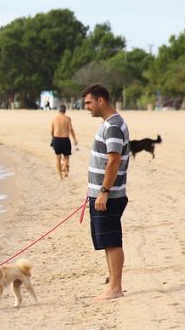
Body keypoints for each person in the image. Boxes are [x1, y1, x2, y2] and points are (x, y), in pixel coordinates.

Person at [82, 83, 130, 301]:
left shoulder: (112, 126)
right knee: (106, 241)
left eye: (88, 102)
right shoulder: (110, 124)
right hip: (103, 194)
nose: (86, 107)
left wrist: (103, 191)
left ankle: (116, 287)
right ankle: (112, 283)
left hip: (109, 195)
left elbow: (114, 160)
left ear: (101, 100)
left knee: (111, 240)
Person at [50, 104, 78, 179]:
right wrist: (75, 139)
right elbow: (71, 129)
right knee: (66, 157)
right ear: (65, 110)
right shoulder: (67, 118)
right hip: (65, 139)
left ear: (58, 110)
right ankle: (65, 167)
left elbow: (51, 131)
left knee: (58, 158)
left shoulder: (54, 118)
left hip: (56, 139)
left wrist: (53, 139)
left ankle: (60, 176)